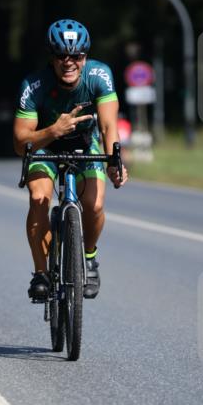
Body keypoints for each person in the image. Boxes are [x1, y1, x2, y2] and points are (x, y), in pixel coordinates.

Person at [13, 19, 128, 301]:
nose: (69, 62)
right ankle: (41, 273)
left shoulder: (99, 75)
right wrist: (54, 130)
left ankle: (88, 257)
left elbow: (107, 126)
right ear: (52, 57)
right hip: (45, 146)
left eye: (76, 56)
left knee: (95, 203)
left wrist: (115, 160)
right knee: (39, 198)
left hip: (85, 146)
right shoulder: (33, 85)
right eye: (62, 55)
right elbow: (20, 143)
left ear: (85, 57)